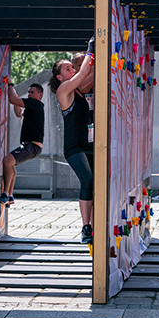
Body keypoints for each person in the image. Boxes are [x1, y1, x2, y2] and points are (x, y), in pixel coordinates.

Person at [48, 54, 94, 244]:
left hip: (89, 144)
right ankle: (85, 227)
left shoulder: (79, 90)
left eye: (72, 68)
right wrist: (92, 50)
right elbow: (85, 71)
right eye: (68, 69)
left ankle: (94, 224)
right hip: (74, 146)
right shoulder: (63, 89)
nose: (72, 70)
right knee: (88, 180)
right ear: (60, 76)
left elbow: (91, 73)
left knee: (95, 185)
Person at [0, 83, 45, 206]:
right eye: (28, 92)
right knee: (11, 166)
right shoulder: (32, 108)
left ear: (40, 95)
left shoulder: (35, 104)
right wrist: (15, 94)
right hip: (32, 147)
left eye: (32, 92)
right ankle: (11, 195)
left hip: (31, 146)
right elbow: (18, 112)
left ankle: (5, 194)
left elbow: (12, 100)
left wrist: (10, 85)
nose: (29, 94)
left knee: (7, 161)